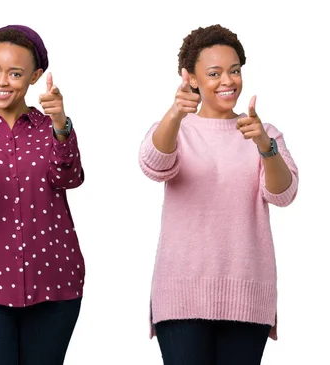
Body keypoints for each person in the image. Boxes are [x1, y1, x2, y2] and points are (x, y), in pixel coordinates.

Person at [138, 24, 299, 365]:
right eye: (214, 73)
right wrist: (175, 113)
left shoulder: (264, 132)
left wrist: (265, 148)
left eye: (234, 71)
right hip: (181, 295)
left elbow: (283, 194)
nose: (228, 81)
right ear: (191, 78)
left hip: (247, 293)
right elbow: (153, 165)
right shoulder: (176, 128)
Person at [0, 24, 85, 365]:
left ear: (35, 76)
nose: (1, 81)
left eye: (15, 73)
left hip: (55, 284)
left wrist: (61, 123)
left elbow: (70, 178)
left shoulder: (53, 128)